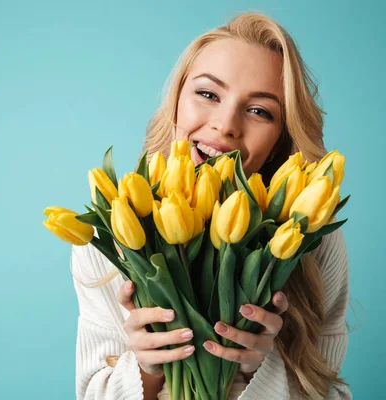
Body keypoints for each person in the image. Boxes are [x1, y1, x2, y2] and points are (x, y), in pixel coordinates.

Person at [70, 11, 352, 400]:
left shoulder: (308, 238)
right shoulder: (115, 228)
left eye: (259, 111)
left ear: (280, 138)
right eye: (208, 94)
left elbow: (330, 394)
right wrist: (145, 369)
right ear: (175, 102)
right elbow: (91, 393)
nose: (225, 125)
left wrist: (258, 369)